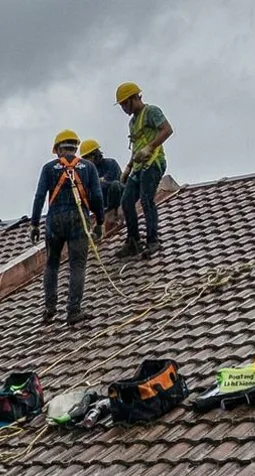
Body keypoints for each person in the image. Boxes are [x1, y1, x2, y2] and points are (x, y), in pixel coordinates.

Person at [29, 130, 105, 326]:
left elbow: (39, 197)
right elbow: (97, 197)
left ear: (57, 150)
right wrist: (100, 222)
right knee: (77, 265)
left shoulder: (48, 168)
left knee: (52, 263)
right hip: (79, 219)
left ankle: (49, 308)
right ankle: (73, 311)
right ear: (76, 147)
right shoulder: (88, 167)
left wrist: (35, 224)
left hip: (55, 220)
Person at [115, 82, 174, 258]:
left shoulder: (151, 112)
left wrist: (150, 147)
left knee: (147, 199)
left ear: (135, 98)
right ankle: (133, 241)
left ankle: (153, 240)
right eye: (122, 105)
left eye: (126, 103)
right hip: (139, 166)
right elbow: (136, 147)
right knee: (126, 202)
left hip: (154, 162)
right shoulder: (132, 123)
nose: (124, 108)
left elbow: (167, 130)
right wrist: (128, 167)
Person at [81, 139, 123, 210]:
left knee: (115, 185)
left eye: (88, 157)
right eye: (85, 158)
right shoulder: (87, 172)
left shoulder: (110, 164)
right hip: (99, 204)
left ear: (96, 154)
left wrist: (97, 183)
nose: (87, 160)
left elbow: (112, 184)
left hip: (116, 199)